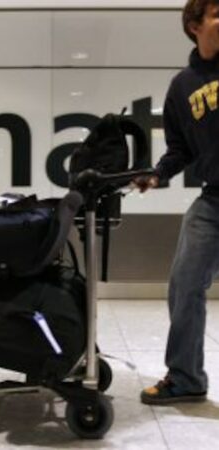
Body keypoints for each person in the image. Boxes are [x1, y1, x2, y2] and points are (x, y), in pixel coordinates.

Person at [135, 0, 219, 405]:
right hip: (214, 200)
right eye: (218, 12)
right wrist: (157, 175)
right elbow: (179, 148)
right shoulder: (183, 86)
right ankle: (186, 377)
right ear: (195, 25)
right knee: (185, 283)